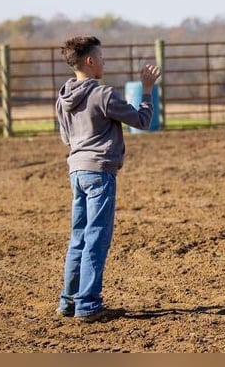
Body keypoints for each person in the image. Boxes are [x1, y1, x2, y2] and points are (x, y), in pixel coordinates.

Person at [55, 36, 161, 322]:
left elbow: (66, 137)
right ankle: (88, 304)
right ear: (89, 61)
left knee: (78, 237)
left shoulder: (63, 96)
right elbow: (141, 121)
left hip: (76, 170)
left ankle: (69, 300)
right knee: (96, 238)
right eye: (101, 56)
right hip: (100, 171)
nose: (104, 61)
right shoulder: (103, 94)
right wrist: (147, 90)